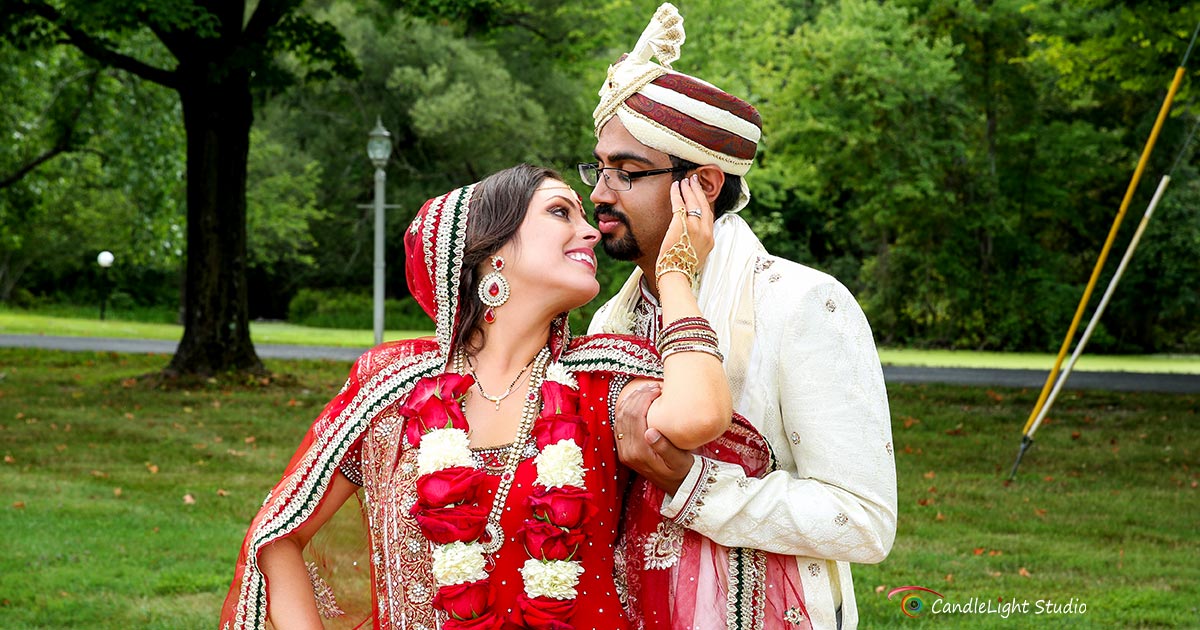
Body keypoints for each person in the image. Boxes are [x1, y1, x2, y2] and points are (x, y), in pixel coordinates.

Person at [220, 164, 738, 630]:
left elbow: (697, 417)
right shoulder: (391, 386)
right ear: (490, 248)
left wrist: (676, 273)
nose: (589, 231)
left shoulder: (601, 380)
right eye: (561, 212)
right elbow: (279, 534)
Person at [585, 4, 898, 629]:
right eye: (599, 167)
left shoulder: (801, 303)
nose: (599, 193)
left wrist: (698, 487)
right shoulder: (607, 325)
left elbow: (864, 522)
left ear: (699, 186)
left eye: (627, 172)